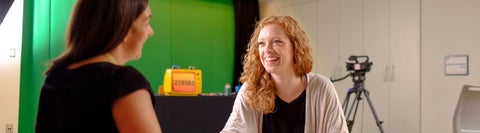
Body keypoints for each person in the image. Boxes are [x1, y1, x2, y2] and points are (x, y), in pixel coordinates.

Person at [35, 0, 162, 132]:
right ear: (125, 28)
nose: (150, 32)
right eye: (146, 23)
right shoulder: (124, 82)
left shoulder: (53, 79)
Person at [221, 15, 349, 133]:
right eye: (261, 43)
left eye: (277, 42)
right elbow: (234, 128)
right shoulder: (250, 90)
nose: (267, 50)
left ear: (295, 47)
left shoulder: (321, 88)